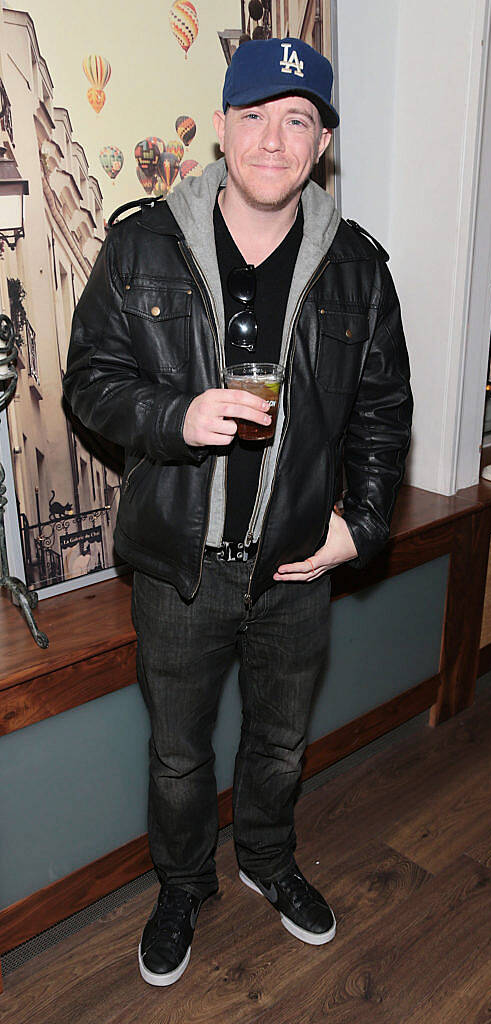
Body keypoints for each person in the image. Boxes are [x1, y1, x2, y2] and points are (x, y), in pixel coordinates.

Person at [63, 36, 413, 987]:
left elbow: (385, 413)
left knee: (282, 741)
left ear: (321, 141)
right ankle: (183, 885)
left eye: (297, 119)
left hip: (296, 565)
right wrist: (176, 418)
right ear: (221, 128)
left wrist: (362, 525)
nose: (273, 139)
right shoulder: (143, 244)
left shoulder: (357, 269)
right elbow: (90, 382)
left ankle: (265, 858)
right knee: (179, 756)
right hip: (181, 567)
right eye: (254, 115)